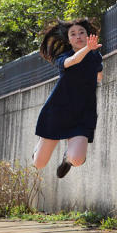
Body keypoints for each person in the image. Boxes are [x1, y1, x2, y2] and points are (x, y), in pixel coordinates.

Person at [32, 19, 104, 179]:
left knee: (77, 159)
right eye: (73, 34)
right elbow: (73, 61)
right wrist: (87, 49)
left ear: (88, 36)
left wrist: (95, 80)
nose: (78, 36)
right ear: (68, 39)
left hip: (83, 113)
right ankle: (37, 152)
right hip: (58, 111)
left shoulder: (95, 56)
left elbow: (99, 72)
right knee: (39, 164)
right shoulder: (63, 57)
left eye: (81, 33)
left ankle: (67, 160)